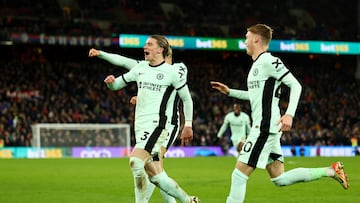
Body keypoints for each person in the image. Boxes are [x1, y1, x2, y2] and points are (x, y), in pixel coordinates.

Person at [210, 24, 348, 203]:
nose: (244, 41)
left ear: (256, 39)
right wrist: (230, 92)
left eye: (247, 37)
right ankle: (331, 171)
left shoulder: (269, 61)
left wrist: (289, 114)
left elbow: (296, 85)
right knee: (279, 178)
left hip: (264, 128)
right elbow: (254, 96)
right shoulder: (257, 65)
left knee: (238, 175)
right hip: (268, 127)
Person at [103, 34, 199, 203]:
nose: (144, 47)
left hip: (160, 126)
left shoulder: (173, 72)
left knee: (135, 162)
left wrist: (188, 124)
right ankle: (188, 200)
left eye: (149, 44)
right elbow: (118, 82)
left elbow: (186, 98)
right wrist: (111, 83)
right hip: (140, 126)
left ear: (160, 49)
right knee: (156, 176)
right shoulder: (141, 68)